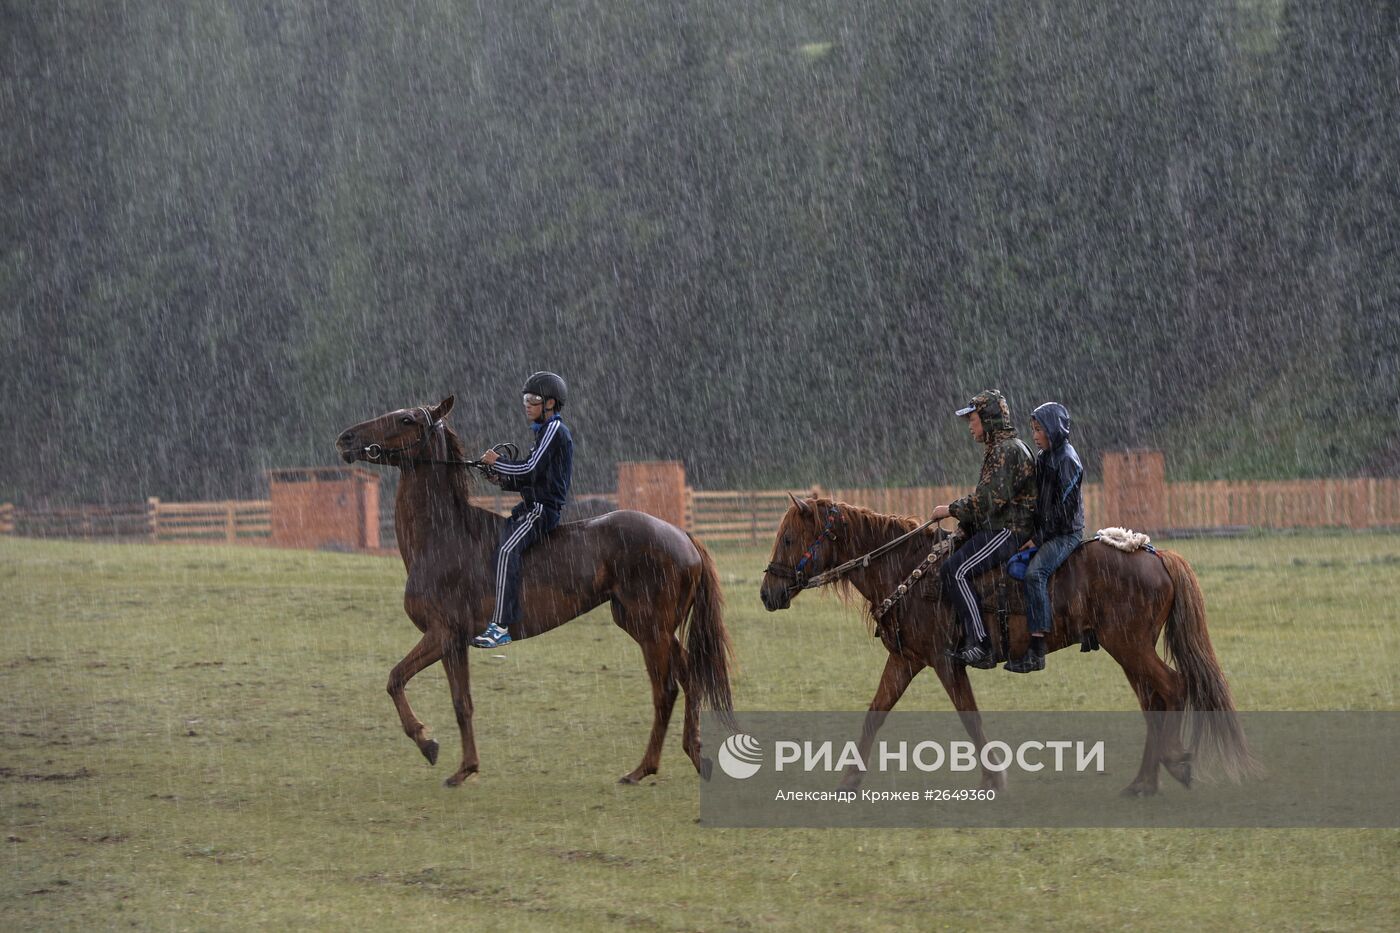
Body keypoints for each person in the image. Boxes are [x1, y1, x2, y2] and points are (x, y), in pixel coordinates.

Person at [931, 389, 1036, 668]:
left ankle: (980, 644)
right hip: (1000, 527)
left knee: (954, 572)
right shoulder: (1000, 449)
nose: (970, 427)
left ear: (989, 420)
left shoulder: (1006, 451)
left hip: (1008, 531)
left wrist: (949, 510)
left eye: (973, 420)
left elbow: (987, 502)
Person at [471, 371, 574, 649]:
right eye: (525, 399)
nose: (527, 404)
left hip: (541, 510)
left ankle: (501, 626)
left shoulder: (554, 430)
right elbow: (529, 476)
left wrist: (498, 460)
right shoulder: (542, 433)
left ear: (550, 403)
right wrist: (499, 477)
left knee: (506, 551)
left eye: (533, 399)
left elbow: (529, 468)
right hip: (530, 506)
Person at [1006, 401, 1084, 673]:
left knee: (1034, 574)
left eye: (1039, 430)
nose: (1035, 436)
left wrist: (1038, 539)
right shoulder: (1044, 457)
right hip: (1046, 531)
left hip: (1066, 534)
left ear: (1054, 429)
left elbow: (1064, 514)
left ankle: (1037, 649)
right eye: (1033, 430)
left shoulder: (1068, 461)